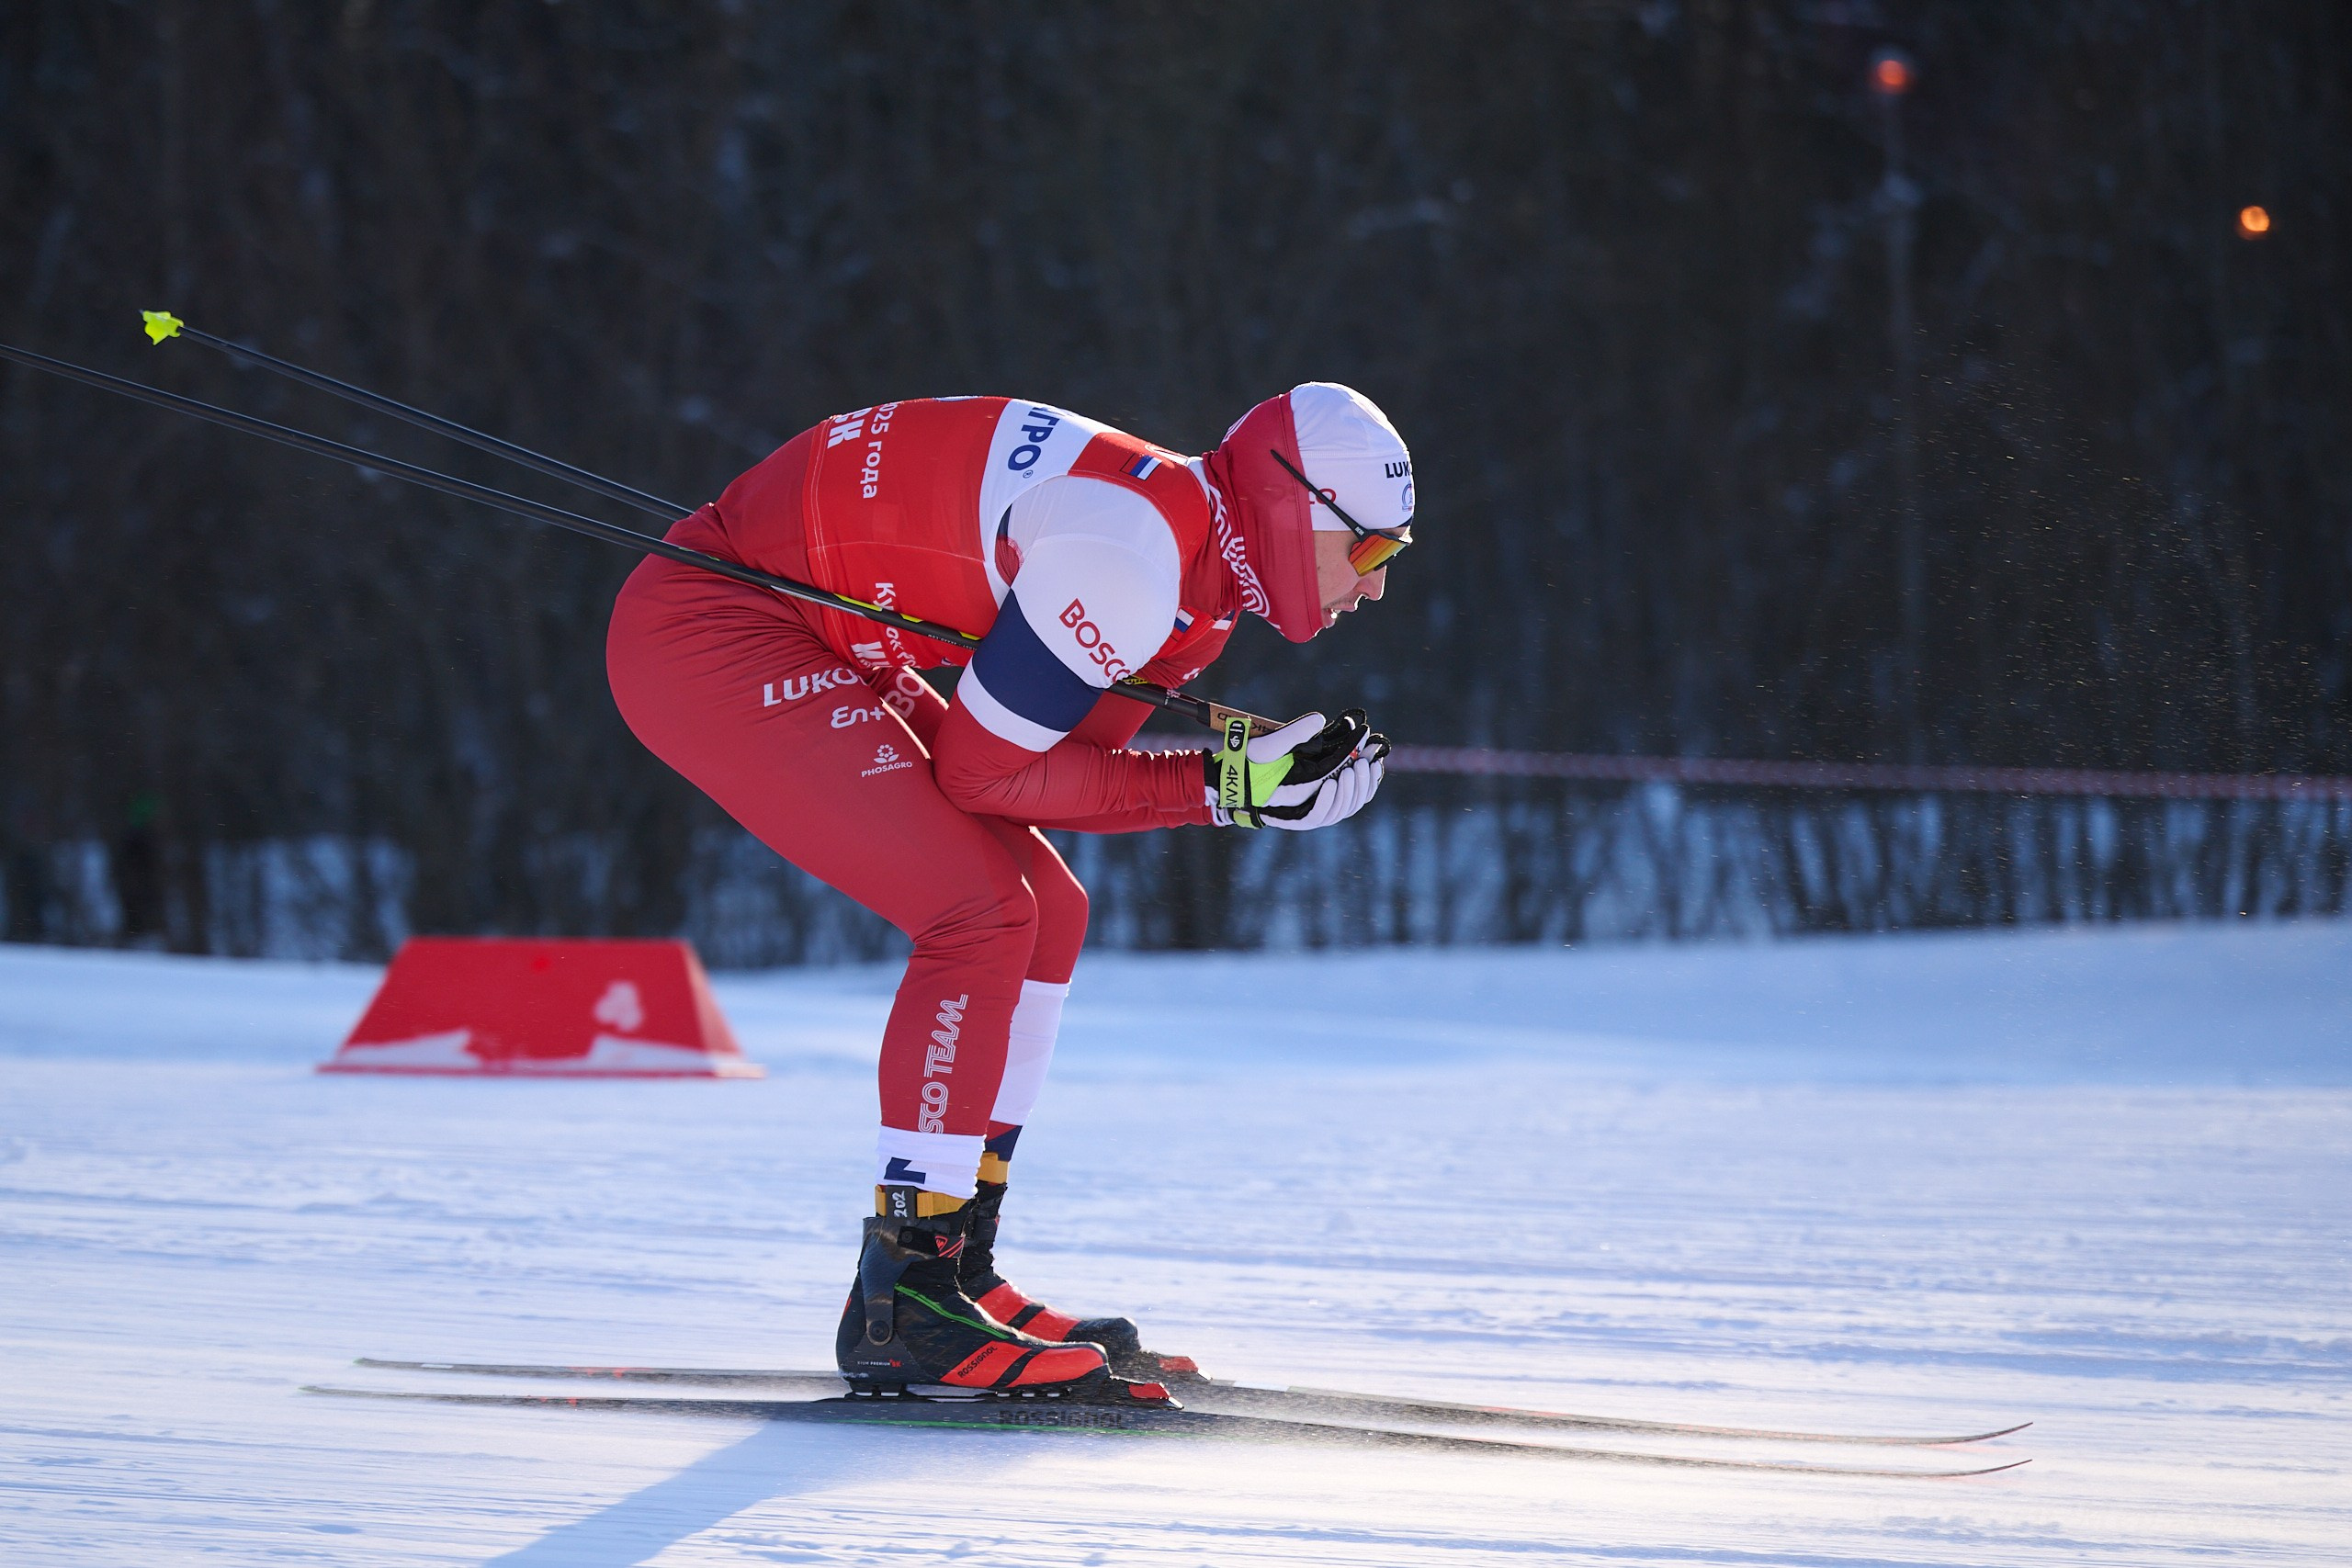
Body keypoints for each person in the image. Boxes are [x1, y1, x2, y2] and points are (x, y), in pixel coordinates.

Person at [605, 383, 1412, 1402]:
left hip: (814, 619)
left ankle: (953, 1266)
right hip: (716, 625)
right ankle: (902, 1299)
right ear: (1299, 512)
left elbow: (1050, 774)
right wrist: (1223, 790)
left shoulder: (1195, 581)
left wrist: (1240, 783)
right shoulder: (1133, 557)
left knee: (1045, 909)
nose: (1376, 587)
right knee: (980, 914)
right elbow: (985, 776)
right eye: (1374, 551)